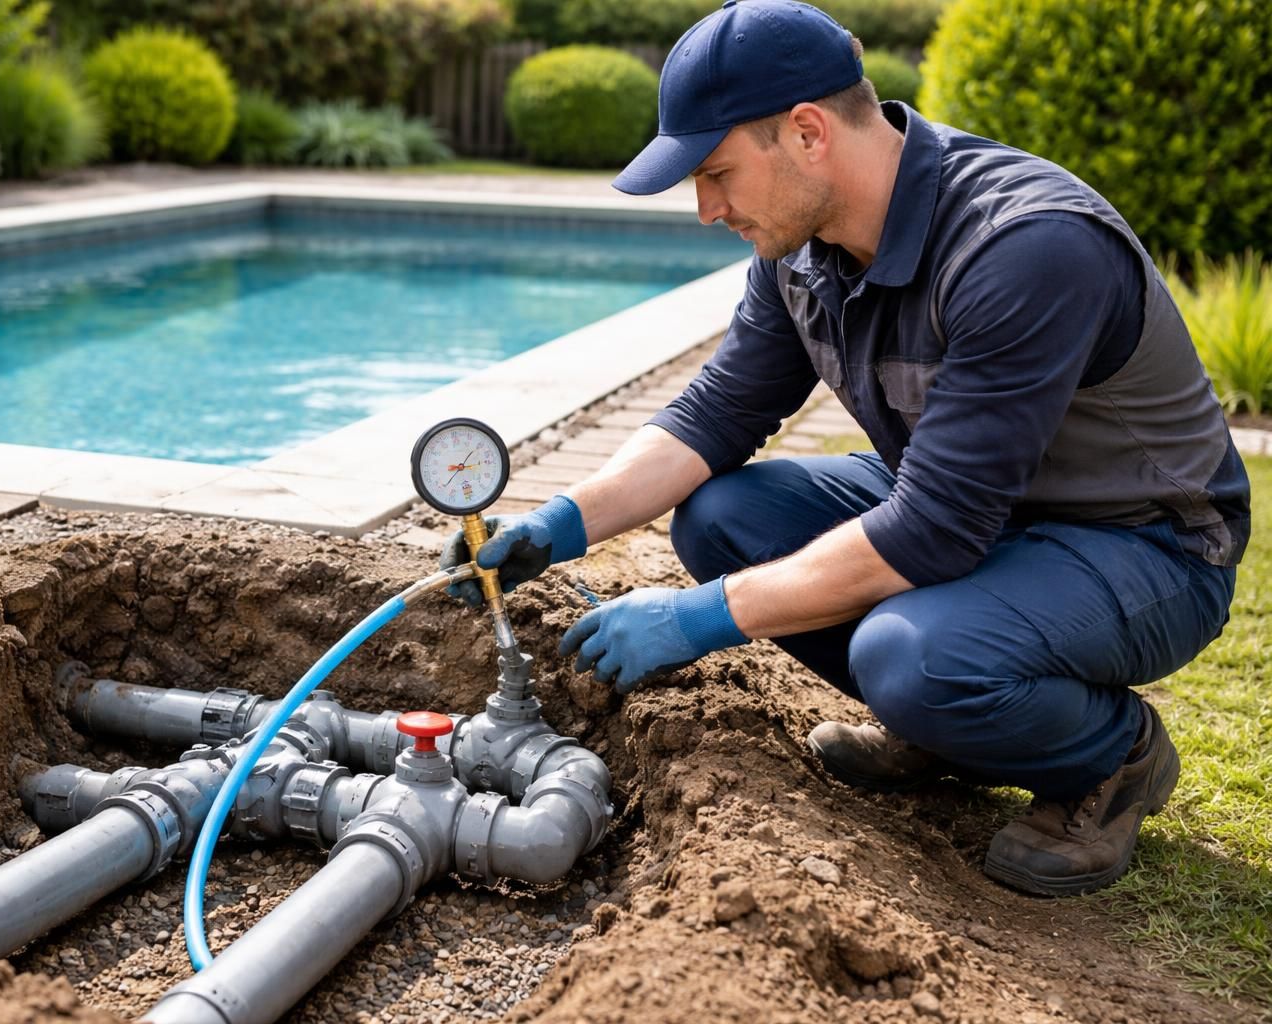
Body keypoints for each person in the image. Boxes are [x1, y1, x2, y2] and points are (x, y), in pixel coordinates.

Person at [442, 0, 1251, 896]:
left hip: (1141, 541)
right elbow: (715, 416)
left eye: (716, 173)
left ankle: (1112, 758)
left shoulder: (1025, 246)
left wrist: (694, 617)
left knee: (912, 660)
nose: (707, 209)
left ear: (807, 133)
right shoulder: (802, 247)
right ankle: (948, 727)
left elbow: (932, 533)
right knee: (721, 515)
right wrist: (559, 525)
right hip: (973, 511)